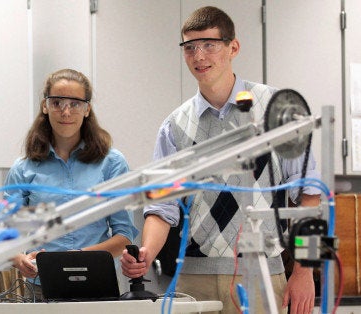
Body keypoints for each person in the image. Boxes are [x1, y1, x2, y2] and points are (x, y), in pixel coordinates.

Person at [120, 6, 320, 314]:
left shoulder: (276, 110)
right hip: (193, 280)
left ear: (233, 47)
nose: (199, 56)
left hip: (264, 276)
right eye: (190, 48)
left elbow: (310, 196)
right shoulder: (175, 126)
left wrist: (305, 272)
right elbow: (162, 206)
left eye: (209, 45)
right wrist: (147, 252)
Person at [4, 68, 139, 300]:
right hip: (40, 288)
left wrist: (77, 257)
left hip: (97, 285)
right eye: (57, 102)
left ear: (87, 108)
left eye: (75, 103)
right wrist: (19, 259)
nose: (65, 111)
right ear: (45, 106)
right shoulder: (23, 168)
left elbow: (124, 236)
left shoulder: (112, 163)